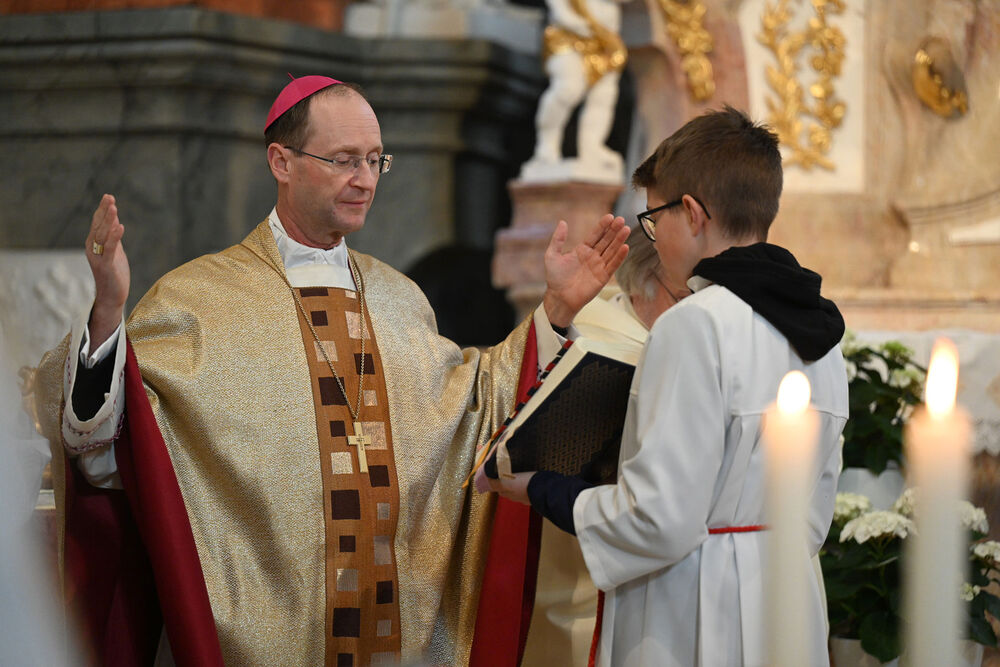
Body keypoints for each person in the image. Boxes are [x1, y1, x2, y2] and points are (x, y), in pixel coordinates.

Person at [32, 75, 629, 666]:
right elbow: (113, 453)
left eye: (375, 159)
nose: (365, 179)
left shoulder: (399, 299)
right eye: (344, 160)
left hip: (391, 634)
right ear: (281, 162)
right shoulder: (197, 302)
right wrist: (108, 312)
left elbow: (478, 409)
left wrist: (556, 310)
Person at [485, 107, 848, 666]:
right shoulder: (821, 333)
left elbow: (656, 521)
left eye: (655, 219)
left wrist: (540, 489)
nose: (653, 237)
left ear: (693, 214)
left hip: (694, 610)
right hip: (788, 601)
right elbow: (816, 511)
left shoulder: (694, 323)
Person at [521, 225, 685, 665]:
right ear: (642, 284)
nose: (692, 308)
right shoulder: (588, 332)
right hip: (581, 564)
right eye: (683, 296)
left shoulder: (688, 337)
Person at [519, 0, 628, 184]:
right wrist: (568, 17)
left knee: (603, 96)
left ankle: (592, 148)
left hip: (605, 40)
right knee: (568, 89)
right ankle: (546, 146)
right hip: (569, 35)